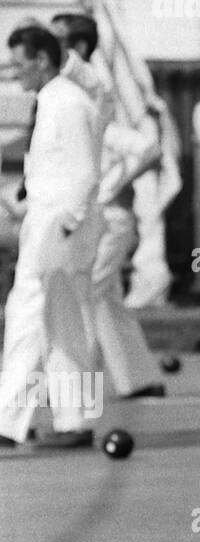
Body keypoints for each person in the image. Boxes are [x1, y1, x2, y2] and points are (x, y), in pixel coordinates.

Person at [51, 14, 167, 401]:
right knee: (106, 297)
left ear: (79, 48)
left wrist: (112, 185)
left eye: (59, 39)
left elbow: (148, 148)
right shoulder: (64, 92)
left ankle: (80, 384)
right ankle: (138, 377)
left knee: (83, 294)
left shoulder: (88, 96)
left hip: (107, 216)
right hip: (91, 216)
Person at [0, 25, 103, 449]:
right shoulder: (54, 101)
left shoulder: (68, 103)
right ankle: (73, 420)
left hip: (60, 225)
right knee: (63, 322)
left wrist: (63, 225)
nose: (14, 73)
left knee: (26, 316)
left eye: (19, 64)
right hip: (53, 219)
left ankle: (6, 421)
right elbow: (53, 166)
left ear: (42, 59)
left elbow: (84, 171)